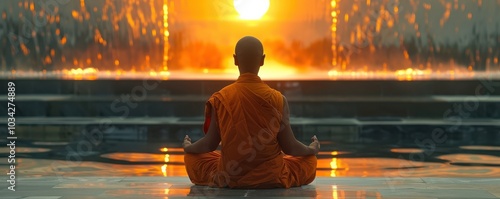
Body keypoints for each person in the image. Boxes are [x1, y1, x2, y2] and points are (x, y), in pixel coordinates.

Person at [183, 36, 320, 189]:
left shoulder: (222, 97)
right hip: (271, 176)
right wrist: (311, 149)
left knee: (192, 158)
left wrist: (189, 147)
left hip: (230, 175)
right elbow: (290, 147)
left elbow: (209, 144)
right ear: (262, 60)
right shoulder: (277, 98)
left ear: (235, 60)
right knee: (310, 161)